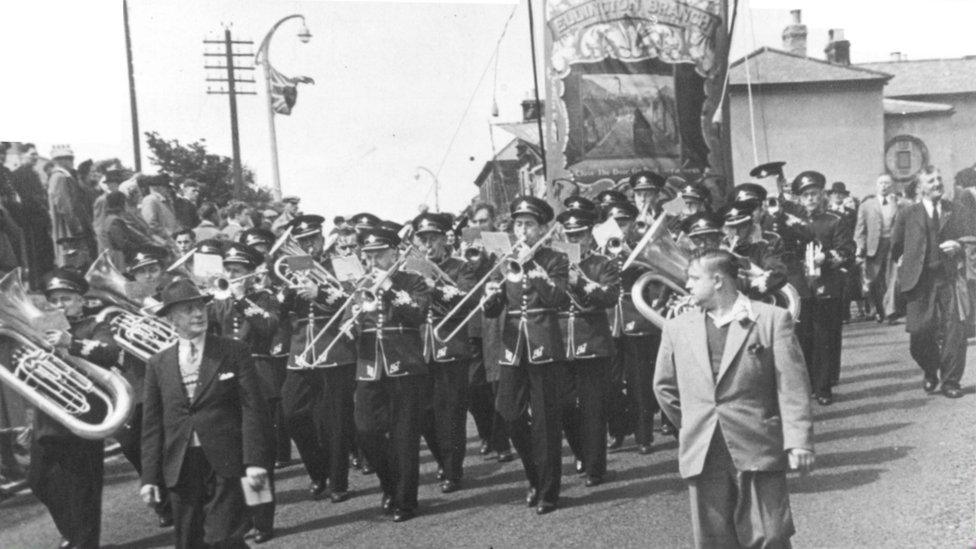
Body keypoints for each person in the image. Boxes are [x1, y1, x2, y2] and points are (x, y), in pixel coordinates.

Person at [653, 249, 815, 549]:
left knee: (771, 536)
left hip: (757, 444)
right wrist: (694, 424)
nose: (687, 286)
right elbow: (664, 387)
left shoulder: (771, 319)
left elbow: (791, 385)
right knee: (715, 540)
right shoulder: (676, 327)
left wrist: (799, 440)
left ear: (717, 280)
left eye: (693, 278)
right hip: (704, 450)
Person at [140, 278, 273, 548]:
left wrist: (256, 461)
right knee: (189, 542)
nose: (198, 313)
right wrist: (150, 478)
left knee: (223, 538)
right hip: (181, 465)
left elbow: (253, 410)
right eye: (188, 309)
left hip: (228, 461)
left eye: (200, 306)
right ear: (170, 319)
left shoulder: (234, 351)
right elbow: (153, 426)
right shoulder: (158, 364)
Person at [483, 196, 569, 515]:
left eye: (529, 224)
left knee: (545, 423)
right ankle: (534, 477)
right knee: (509, 413)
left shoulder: (555, 259)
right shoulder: (504, 261)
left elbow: (557, 297)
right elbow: (494, 309)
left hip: (543, 344)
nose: (522, 230)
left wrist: (531, 264)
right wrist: (490, 299)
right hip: (513, 346)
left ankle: (548, 492)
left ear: (542, 228)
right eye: (518, 224)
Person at [29, 269, 121, 549]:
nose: (59, 305)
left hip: (83, 418)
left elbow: (111, 352)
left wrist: (72, 343)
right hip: (48, 420)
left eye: (66, 299)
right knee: (38, 481)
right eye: (54, 300)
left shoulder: (94, 326)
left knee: (83, 489)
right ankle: (72, 532)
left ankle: (83, 541)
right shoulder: (40, 332)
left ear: (80, 300)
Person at [353, 224, 431, 522]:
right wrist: (349, 328)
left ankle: (405, 501)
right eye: (368, 256)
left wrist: (389, 287)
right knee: (366, 430)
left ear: (395, 254)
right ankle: (389, 484)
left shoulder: (413, 281)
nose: (372, 262)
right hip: (370, 365)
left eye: (378, 255)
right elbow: (352, 319)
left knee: (405, 437)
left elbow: (417, 313)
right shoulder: (359, 284)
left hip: (405, 365)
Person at [210, 243, 281, 543]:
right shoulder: (219, 302)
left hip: (259, 380)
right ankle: (241, 517)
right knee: (233, 453)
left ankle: (262, 520)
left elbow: (267, 328)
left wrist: (242, 301)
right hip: (225, 384)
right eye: (228, 270)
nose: (231, 275)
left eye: (237, 271)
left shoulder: (265, 298)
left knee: (258, 455)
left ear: (252, 274)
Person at [278, 215, 348, 502]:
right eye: (302, 241)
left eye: (312, 240)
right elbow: (282, 312)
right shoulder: (293, 268)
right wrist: (284, 294)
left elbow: (350, 301)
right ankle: (318, 472)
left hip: (333, 348)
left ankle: (339, 482)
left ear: (321, 239)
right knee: (292, 413)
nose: (308, 246)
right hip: (301, 351)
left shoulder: (341, 264)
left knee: (334, 421)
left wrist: (318, 292)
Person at [890, 166, 973, 399]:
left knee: (954, 330)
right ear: (920, 187)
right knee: (918, 333)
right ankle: (930, 369)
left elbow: (971, 239)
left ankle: (951, 381)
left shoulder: (957, 210)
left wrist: (958, 245)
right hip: (920, 281)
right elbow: (896, 246)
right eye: (931, 180)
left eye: (939, 178)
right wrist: (903, 259)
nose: (937, 183)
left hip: (950, 278)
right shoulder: (908, 214)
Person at [413, 213, 478, 493]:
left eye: (433, 239)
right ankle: (442, 459)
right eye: (423, 239)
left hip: (451, 346)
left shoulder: (461, 267)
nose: (428, 245)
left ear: (444, 240)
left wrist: (434, 288)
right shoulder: (412, 269)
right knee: (425, 413)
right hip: (421, 349)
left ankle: (453, 470)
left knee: (451, 413)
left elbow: (466, 300)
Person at [555, 209, 620, 487]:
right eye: (569, 235)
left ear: (590, 233)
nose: (574, 239)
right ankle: (581, 453)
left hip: (593, 341)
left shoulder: (603, 263)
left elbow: (610, 296)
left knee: (593, 408)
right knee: (566, 406)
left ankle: (595, 467)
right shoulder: (554, 264)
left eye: (579, 234)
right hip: (560, 343)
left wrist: (580, 281)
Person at [793, 171, 854, 406]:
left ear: (822, 195)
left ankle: (824, 386)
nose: (810, 199)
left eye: (814, 194)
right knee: (803, 336)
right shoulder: (793, 222)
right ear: (799, 199)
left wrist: (826, 257)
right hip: (801, 288)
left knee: (825, 337)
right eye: (805, 195)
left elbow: (847, 251)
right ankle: (808, 383)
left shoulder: (835, 220)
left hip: (826, 286)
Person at [855, 174, 906, 322]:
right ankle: (878, 309)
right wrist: (859, 247)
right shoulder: (867, 205)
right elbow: (860, 229)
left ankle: (890, 312)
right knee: (874, 279)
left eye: (887, 183)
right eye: (881, 183)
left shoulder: (899, 203)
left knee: (892, 278)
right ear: (877, 186)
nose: (884, 186)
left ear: (892, 186)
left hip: (893, 245)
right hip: (873, 247)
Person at [9, 143, 55, 289]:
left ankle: (44, 281)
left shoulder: (34, 173)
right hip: (30, 219)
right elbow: (26, 197)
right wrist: (40, 206)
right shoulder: (19, 174)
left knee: (44, 252)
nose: (35, 157)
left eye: (36, 154)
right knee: (33, 253)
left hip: (40, 219)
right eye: (32, 154)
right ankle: (37, 285)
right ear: (23, 155)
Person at [48, 145, 95, 265]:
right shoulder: (59, 177)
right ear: (58, 161)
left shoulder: (65, 176)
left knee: (79, 260)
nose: (71, 161)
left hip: (73, 226)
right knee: (72, 262)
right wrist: (76, 227)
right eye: (67, 158)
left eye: (71, 158)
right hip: (67, 229)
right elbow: (64, 206)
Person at [139, 175, 180, 245]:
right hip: (161, 242)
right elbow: (150, 224)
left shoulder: (164, 200)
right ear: (155, 187)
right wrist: (168, 234)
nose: (168, 190)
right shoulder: (150, 200)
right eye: (165, 187)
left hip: (171, 241)